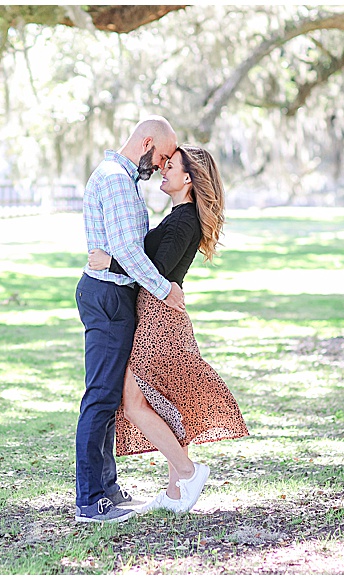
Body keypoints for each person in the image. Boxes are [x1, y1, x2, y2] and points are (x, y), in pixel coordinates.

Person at [87, 145, 249, 514]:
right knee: (166, 402)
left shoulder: (183, 221)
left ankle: (188, 471)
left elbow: (153, 272)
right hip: (160, 316)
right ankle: (176, 491)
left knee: (132, 401)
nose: (163, 169)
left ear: (188, 179)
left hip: (161, 320)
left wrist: (110, 261)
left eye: (170, 165)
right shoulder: (181, 216)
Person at [74, 116, 185, 523]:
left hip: (113, 294)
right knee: (100, 397)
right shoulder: (116, 180)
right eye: (162, 157)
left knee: (108, 397)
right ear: (148, 142)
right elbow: (127, 250)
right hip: (107, 296)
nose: (160, 166)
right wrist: (164, 289)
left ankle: (107, 488)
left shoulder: (121, 179)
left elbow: (126, 247)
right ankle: (90, 500)